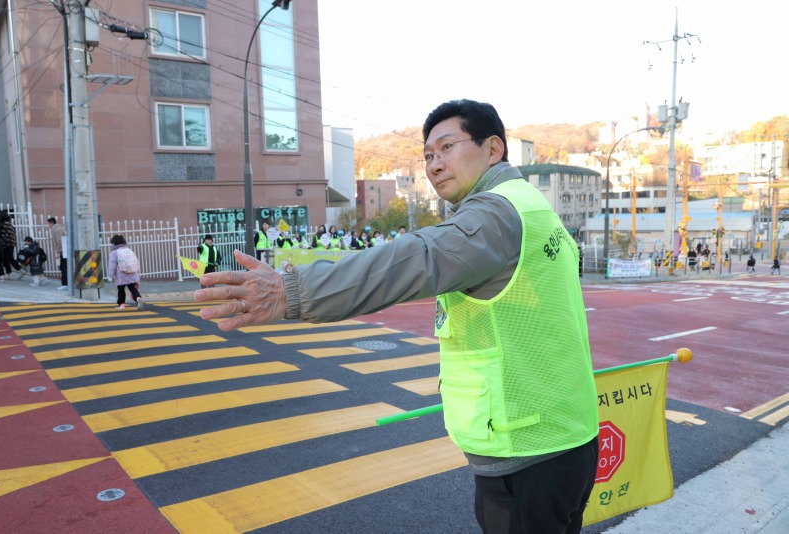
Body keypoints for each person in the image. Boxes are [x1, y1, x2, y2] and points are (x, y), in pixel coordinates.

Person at [195, 99, 599, 533]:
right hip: (566, 434)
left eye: (447, 148)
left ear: (493, 149)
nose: (434, 164)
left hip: (526, 446)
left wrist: (288, 291)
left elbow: (413, 260)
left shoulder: (494, 215)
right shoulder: (531, 205)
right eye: (428, 155)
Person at [108, 235, 145, 310]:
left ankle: (121, 305)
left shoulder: (114, 252)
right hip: (131, 272)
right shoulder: (128, 250)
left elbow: (112, 264)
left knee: (121, 289)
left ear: (114, 243)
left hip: (121, 274)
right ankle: (138, 298)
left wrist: (110, 275)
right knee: (132, 287)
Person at [0, 211, 25, 279]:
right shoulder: (9, 224)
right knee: (9, 259)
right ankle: (14, 272)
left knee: (7, 259)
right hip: (11, 243)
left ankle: (15, 272)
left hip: (6, 244)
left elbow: (2, 235)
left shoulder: (3, 225)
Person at [47, 216, 68, 290]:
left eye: (48, 224)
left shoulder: (57, 230)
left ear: (51, 223)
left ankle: (65, 285)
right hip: (63, 251)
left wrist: (58, 252)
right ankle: (65, 284)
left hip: (63, 252)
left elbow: (60, 242)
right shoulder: (58, 229)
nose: (48, 226)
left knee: (64, 268)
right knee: (64, 268)